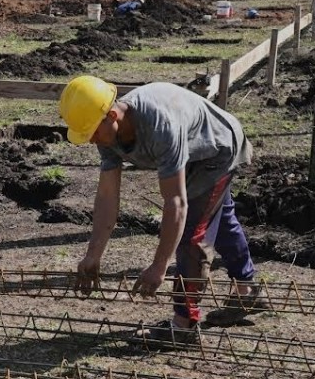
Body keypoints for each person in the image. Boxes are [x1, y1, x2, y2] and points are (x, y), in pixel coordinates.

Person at [58, 75, 268, 345]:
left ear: (112, 114)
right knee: (219, 218)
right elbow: (108, 196)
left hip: (217, 151)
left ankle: (184, 325)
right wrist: (92, 255)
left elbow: (175, 203)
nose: (91, 140)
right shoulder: (107, 136)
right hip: (191, 151)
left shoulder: (160, 125)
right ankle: (247, 291)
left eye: (93, 132)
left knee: (192, 235)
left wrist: (159, 266)